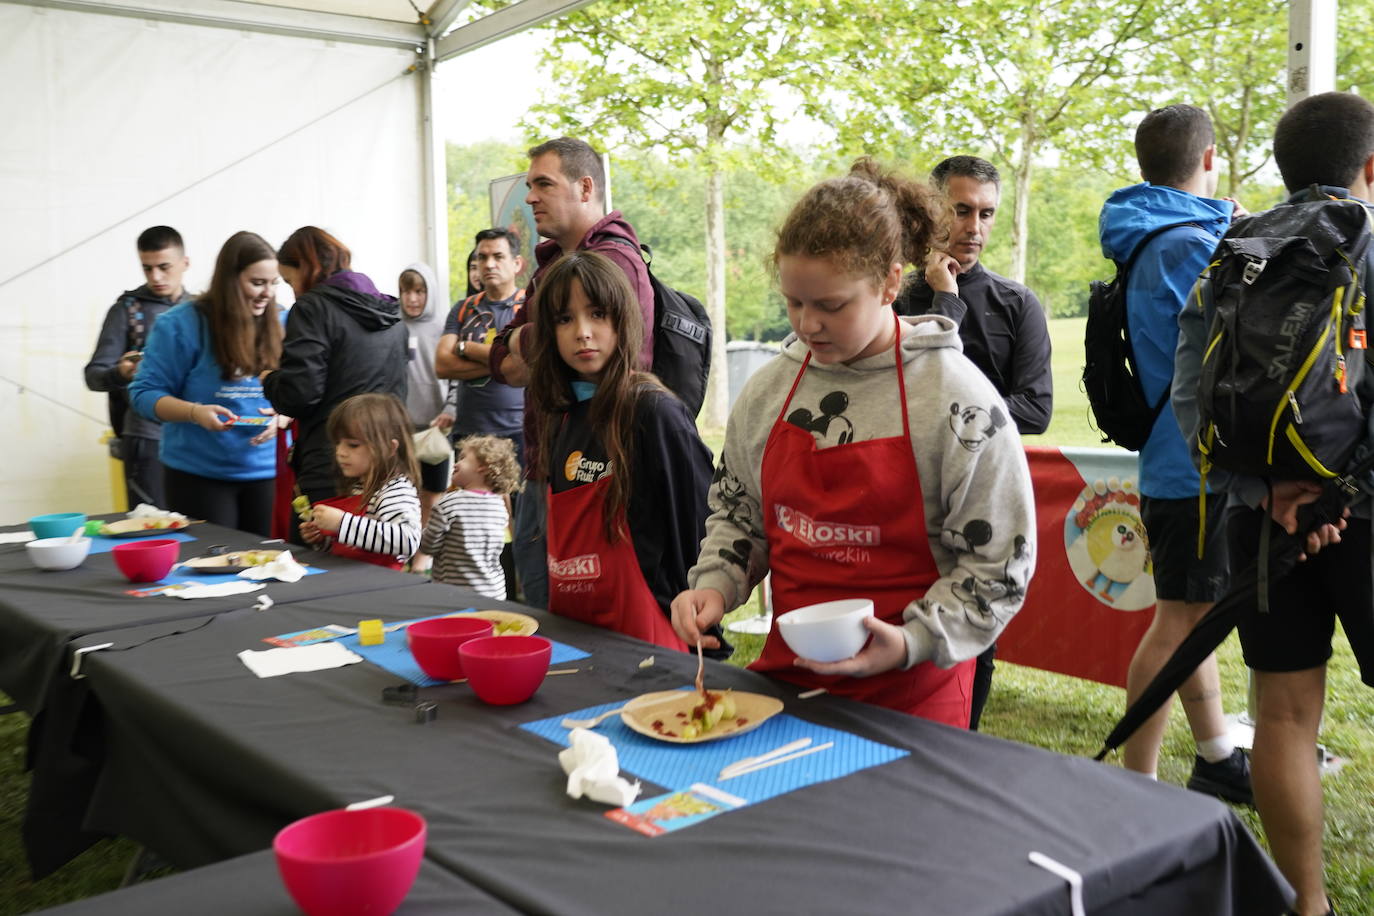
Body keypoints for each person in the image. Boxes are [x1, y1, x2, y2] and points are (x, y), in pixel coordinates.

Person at [672, 160, 1036, 725]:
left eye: (831, 306)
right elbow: (740, 516)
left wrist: (913, 640)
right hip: (790, 685)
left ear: (891, 283)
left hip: (915, 694)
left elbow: (997, 565)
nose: (807, 325)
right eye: (795, 302)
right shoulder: (770, 391)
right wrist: (715, 586)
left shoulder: (959, 402)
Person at [1175, 90, 1374, 916]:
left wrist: (1262, 489)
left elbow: (1192, 400)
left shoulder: (1232, 252)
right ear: (1370, 169)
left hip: (1264, 519)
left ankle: (1307, 906)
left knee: (1283, 715)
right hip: (1364, 517)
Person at [1098, 104, 1252, 802]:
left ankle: (1217, 756)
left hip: (1171, 459)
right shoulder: (1194, 240)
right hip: (1196, 465)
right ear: (1210, 156)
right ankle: (1143, 788)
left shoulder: (1151, 231)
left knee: (1191, 612)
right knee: (1179, 622)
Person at [894, 155, 1052, 730]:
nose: (974, 227)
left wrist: (950, 421)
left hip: (978, 513)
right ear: (932, 209)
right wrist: (942, 300)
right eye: (961, 210)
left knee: (967, 657)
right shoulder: (891, 298)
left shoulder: (1017, 304)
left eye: (986, 213)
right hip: (899, 506)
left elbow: (1035, 409)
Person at [487, 137, 655, 609]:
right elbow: (502, 362)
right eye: (564, 317)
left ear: (585, 188)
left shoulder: (615, 260)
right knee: (543, 607)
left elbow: (558, 358)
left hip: (595, 469)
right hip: (549, 464)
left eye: (543, 184)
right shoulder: (547, 269)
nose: (530, 197)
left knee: (579, 615)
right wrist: (522, 340)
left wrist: (526, 339)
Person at [527, 250, 713, 651]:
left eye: (597, 314)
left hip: (652, 642)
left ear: (622, 320)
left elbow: (699, 530)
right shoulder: (562, 416)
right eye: (564, 319)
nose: (582, 332)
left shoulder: (653, 412)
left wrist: (698, 620)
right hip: (576, 637)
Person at [127, 231, 284, 534]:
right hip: (198, 475)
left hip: (269, 471)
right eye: (257, 283)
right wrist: (194, 413)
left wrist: (284, 417)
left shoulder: (284, 320)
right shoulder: (180, 324)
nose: (267, 293)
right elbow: (143, 394)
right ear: (229, 280)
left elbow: (304, 395)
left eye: (273, 283)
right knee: (211, 568)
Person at [262, 226, 407, 541]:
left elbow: (299, 393)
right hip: (385, 466)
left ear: (308, 268)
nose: (293, 291)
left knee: (316, 570)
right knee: (372, 566)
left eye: (289, 280)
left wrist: (270, 380)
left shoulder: (312, 308)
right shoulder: (391, 313)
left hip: (330, 463)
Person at [84, 226, 193, 509]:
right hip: (147, 438)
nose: (156, 276)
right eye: (147, 268)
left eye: (164, 267)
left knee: (202, 527)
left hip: (197, 436)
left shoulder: (202, 309)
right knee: (153, 528)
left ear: (185, 263)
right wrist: (120, 372)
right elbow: (93, 376)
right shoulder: (127, 310)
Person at [300, 393, 421, 569]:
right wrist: (324, 538)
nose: (340, 452)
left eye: (353, 445)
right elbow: (355, 545)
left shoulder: (395, 490)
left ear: (389, 448)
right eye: (337, 444)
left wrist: (342, 524)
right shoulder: (359, 487)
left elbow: (408, 541)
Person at [397, 262, 455, 570]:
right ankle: (405, 550)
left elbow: (456, 376)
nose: (413, 299)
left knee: (433, 495)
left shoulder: (444, 326)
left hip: (434, 428)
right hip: (402, 427)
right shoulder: (394, 325)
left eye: (419, 291)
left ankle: (424, 557)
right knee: (406, 494)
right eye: (407, 291)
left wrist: (450, 409)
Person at [421, 434, 523, 598]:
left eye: (462, 458)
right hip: (493, 592)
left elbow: (428, 546)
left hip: (454, 593)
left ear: (483, 466)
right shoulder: (498, 506)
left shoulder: (449, 503)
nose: (455, 464)